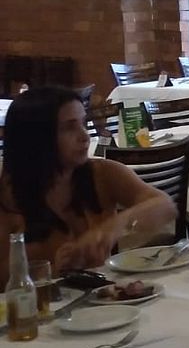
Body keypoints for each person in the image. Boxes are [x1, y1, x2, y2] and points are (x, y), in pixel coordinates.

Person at [0, 86, 176, 270]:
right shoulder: (7, 197)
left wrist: (115, 226)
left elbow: (165, 205)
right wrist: (55, 270)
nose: (85, 136)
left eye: (83, 123)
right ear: (37, 138)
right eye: (69, 128)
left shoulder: (102, 173)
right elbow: (5, 279)